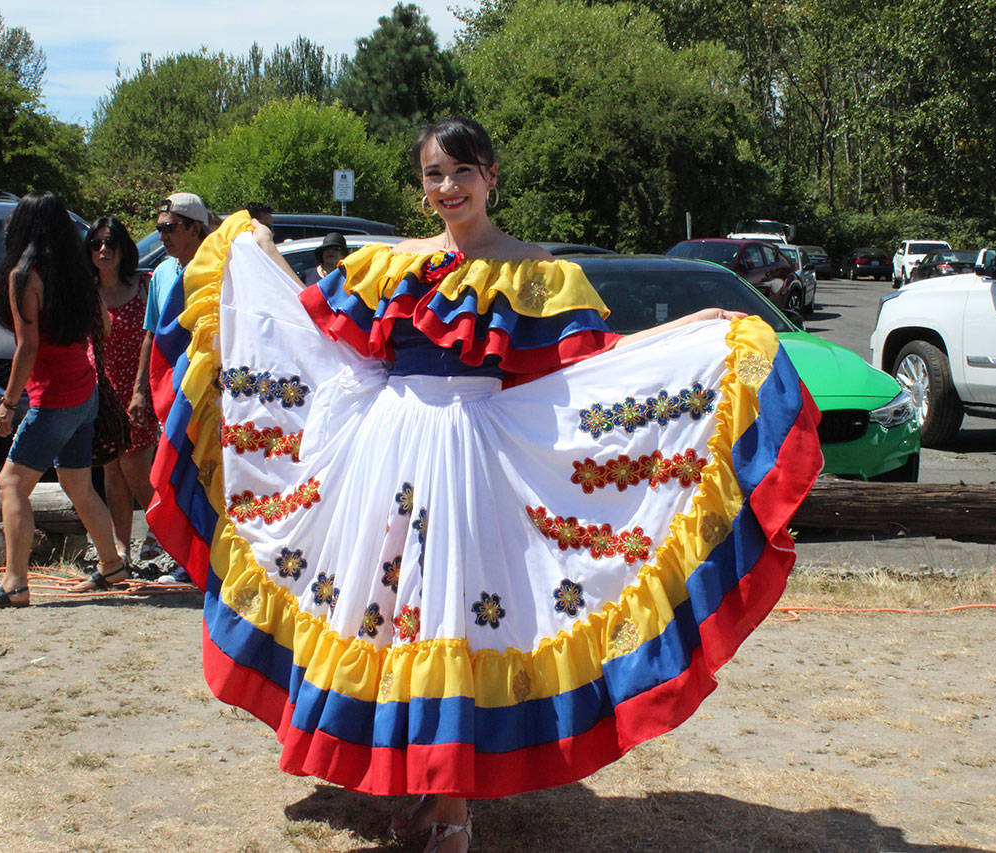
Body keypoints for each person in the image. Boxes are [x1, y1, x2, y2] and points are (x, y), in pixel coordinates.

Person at [144, 118, 822, 852]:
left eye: (462, 172)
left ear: (492, 175)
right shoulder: (389, 264)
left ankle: (454, 806)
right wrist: (254, 250)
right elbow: (309, 324)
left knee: (455, 620)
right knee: (391, 614)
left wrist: (693, 328)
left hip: (475, 460)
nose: (448, 187)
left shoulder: (537, 271)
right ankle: (417, 783)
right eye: (434, 174)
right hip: (390, 453)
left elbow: (593, 364)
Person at [0, 192, 128, 608]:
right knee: (77, 483)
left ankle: (15, 584)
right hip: (84, 391)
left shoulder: (25, 275)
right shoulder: (77, 273)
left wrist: (7, 402)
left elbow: (28, 347)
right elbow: (105, 329)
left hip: (54, 398)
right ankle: (112, 565)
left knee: (11, 484)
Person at [131, 192, 212, 583]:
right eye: (159, 227)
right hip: (174, 392)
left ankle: (208, 561)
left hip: (212, 392)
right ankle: (186, 562)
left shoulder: (217, 268)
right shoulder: (163, 274)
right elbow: (152, 337)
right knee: (177, 473)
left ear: (196, 228)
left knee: (207, 475)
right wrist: (141, 390)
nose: (162, 235)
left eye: (171, 227)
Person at [84, 217, 161, 564]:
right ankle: (122, 548)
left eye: (111, 243)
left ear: (123, 249)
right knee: (111, 471)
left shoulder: (143, 285)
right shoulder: (85, 291)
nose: (104, 250)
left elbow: (156, 337)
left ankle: (161, 531)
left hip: (138, 391)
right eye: (97, 244)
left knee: (137, 468)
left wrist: (143, 390)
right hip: (101, 393)